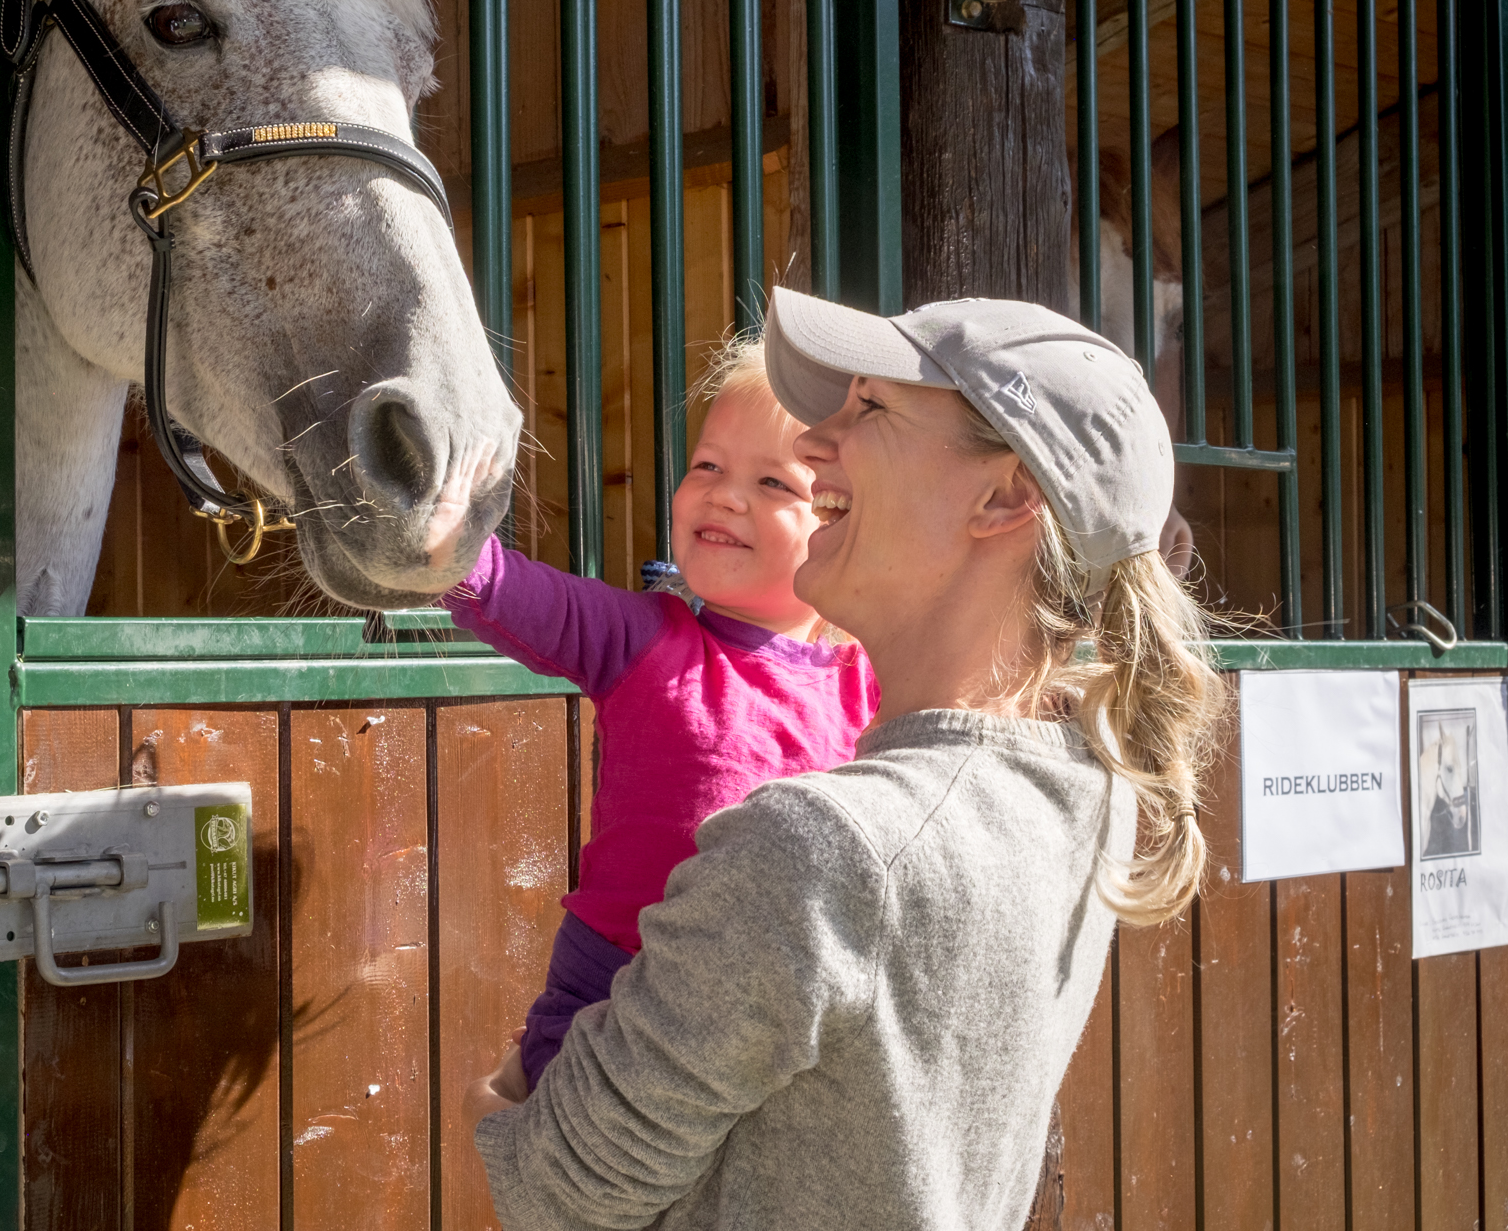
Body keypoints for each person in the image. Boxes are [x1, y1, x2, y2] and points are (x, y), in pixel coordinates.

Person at [466, 288, 1230, 1230]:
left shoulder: (824, 851)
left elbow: (553, 1190)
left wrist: (501, 1112)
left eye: (869, 408)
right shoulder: (1090, 788)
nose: (818, 442)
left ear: (1006, 496)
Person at [441, 340, 882, 1096]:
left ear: (844, 525)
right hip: (608, 1011)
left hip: (775, 1029)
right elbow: (516, 591)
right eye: (707, 466)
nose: (725, 495)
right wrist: (444, 540)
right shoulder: (644, 635)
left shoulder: (868, 683)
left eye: (773, 482)